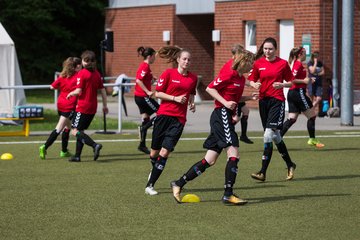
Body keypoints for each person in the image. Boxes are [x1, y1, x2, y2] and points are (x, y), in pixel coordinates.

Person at [170, 49, 256, 205]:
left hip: (225, 117)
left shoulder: (241, 79)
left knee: (209, 160)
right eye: (251, 63)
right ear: (243, 62)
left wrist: (249, 97)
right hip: (220, 114)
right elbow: (210, 88)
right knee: (233, 153)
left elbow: (234, 98)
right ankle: (228, 194)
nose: (252, 66)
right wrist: (225, 104)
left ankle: (179, 183)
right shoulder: (229, 73)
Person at [144, 46, 197, 196]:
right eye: (184, 59)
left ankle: (150, 185)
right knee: (154, 153)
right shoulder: (168, 73)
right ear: (178, 60)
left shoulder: (193, 78)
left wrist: (192, 104)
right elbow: (158, 93)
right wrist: (175, 98)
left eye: (189, 59)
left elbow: (191, 94)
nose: (187, 61)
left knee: (165, 151)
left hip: (179, 120)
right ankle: (154, 170)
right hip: (163, 116)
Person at [248, 37, 297, 182]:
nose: (267, 51)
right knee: (275, 136)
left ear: (275, 49)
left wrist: (282, 85)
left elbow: (291, 82)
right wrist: (254, 85)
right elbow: (251, 79)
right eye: (265, 49)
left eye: (270, 49)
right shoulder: (258, 63)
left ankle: (262, 172)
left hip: (277, 101)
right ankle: (290, 164)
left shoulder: (282, 63)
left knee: (268, 134)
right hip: (263, 102)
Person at [66, 50, 108, 162]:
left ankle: (95, 145)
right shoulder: (97, 74)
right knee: (81, 131)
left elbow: (78, 91)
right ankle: (77, 156)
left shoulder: (82, 73)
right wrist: (105, 105)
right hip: (93, 107)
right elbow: (103, 91)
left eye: (84, 60)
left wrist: (70, 93)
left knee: (74, 131)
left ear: (85, 62)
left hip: (82, 107)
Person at [281, 46, 325, 148]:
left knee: (292, 119)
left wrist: (308, 79)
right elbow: (292, 79)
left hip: (292, 93)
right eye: (305, 53)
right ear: (300, 54)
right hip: (298, 93)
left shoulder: (297, 63)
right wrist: (304, 81)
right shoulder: (298, 64)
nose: (306, 55)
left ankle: (278, 136)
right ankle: (312, 139)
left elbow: (298, 78)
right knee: (312, 116)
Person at [39, 57, 82, 159]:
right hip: (69, 106)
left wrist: (62, 86)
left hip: (60, 104)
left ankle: (64, 151)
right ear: (75, 66)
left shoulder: (62, 76)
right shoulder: (77, 77)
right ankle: (44, 146)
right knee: (59, 128)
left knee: (67, 127)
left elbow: (52, 87)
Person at [134, 46, 159, 154]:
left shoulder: (147, 67)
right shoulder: (144, 66)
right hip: (143, 97)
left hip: (139, 97)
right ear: (149, 56)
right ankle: (143, 128)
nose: (155, 58)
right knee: (161, 112)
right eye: (154, 56)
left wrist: (153, 80)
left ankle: (142, 145)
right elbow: (139, 80)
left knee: (146, 118)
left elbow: (145, 80)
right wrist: (148, 92)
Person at [231, 44, 254, 144]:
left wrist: (252, 83)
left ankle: (243, 135)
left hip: (238, 95)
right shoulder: (234, 65)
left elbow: (242, 79)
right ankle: (223, 131)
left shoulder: (240, 64)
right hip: (234, 96)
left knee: (246, 111)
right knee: (236, 118)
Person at [307, 51, 325, 117]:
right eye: (317, 57)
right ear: (314, 57)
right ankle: (311, 113)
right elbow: (312, 71)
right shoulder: (310, 63)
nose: (318, 58)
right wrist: (315, 63)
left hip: (318, 83)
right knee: (310, 98)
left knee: (319, 98)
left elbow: (323, 72)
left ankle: (310, 109)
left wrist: (317, 74)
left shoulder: (320, 63)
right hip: (311, 83)